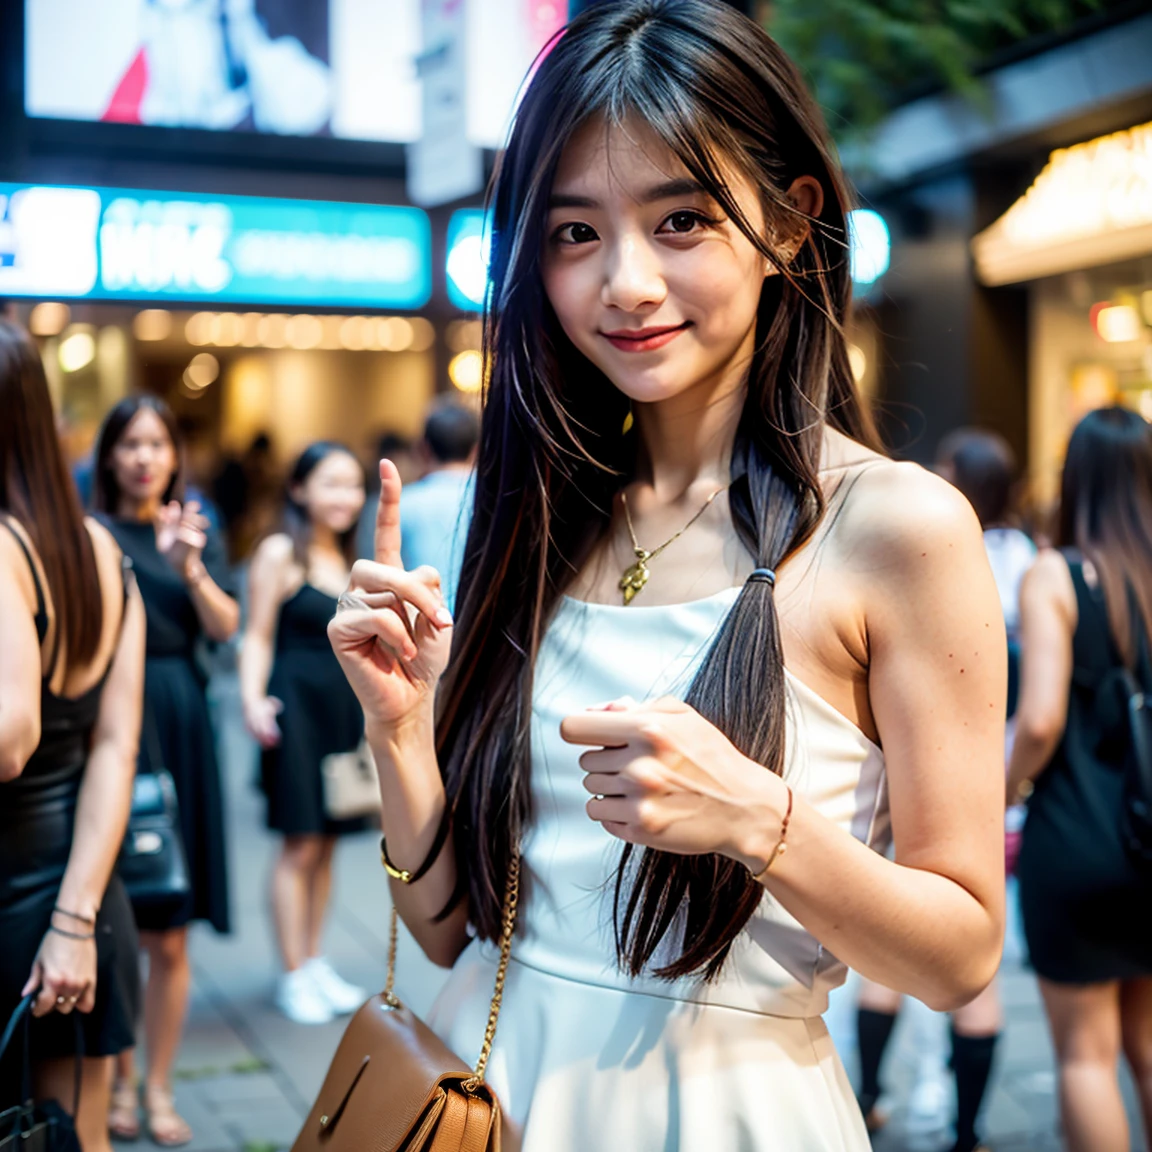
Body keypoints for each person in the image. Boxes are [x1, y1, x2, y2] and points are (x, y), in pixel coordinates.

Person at [329, 3, 1006, 1148]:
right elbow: (446, 932)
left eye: (681, 218)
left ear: (791, 223)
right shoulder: (538, 515)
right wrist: (400, 733)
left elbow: (961, 954)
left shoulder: (897, 528)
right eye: (574, 232)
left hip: (727, 1110)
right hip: (492, 1100)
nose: (625, 283)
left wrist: (758, 819)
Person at [854, 427, 1037, 1152]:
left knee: (888, 942)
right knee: (975, 949)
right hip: (989, 764)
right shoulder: (1029, 561)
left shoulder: (930, 541)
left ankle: (867, 1096)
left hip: (912, 753)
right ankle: (968, 1134)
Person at [0, 320, 146, 1152]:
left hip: (15, 897)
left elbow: (12, 735)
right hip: (81, 898)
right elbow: (115, 747)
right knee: (71, 1139)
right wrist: (75, 919)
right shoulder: (103, 549)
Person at [92, 396, 239, 1148]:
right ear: (110, 456)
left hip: (181, 716)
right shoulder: (90, 534)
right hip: (111, 723)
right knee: (112, 922)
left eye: (157, 444)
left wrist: (189, 568)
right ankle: (115, 1081)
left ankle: (157, 1086)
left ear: (173, 455)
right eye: (130, 444)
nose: (145, 457)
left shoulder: (190, 531)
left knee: (171, 929)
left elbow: (226, 626)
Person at [1009, 406, 1152, 1152]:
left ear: (1076, 480)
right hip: (1149, 840)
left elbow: (1037, 722)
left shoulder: (1056, 576)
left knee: (1085, 1055)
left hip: (1077, 837)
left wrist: (1001, 788)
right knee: (1149, 1048)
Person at [239, 442, 370, 1025]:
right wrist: (251, 700)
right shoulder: (278, 552)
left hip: (343, 711)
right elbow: (257, 633)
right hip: (294, 708)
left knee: (328, 841)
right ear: (298, 490)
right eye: (330, 483)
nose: (345, 496)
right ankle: (292, 972)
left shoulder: (350, 558)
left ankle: (314, 960)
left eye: (353, 484)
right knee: (299, 842)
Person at [397, 401, 479, 612]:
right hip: (484, 625)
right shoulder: (496, 500)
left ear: (424, 449)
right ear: (476, 449)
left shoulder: (403, 502)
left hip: (422, 624)